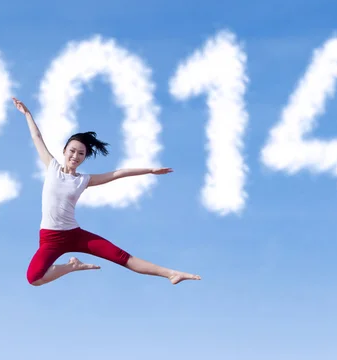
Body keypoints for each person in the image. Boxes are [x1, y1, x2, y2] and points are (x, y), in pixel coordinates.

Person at [13, 97, 201, 286]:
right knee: (34, 279)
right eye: (72, 151)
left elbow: (118, 173)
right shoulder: (51, 167)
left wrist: (149, 170)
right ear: (64, 151)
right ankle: (72, 266)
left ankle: (171, 273)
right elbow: (37, 137)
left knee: (122, 257)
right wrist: (27, 114)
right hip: (49, 238)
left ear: (84, 158)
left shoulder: (84, 180)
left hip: (74, 234)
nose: (75, 156)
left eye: (81, 154)